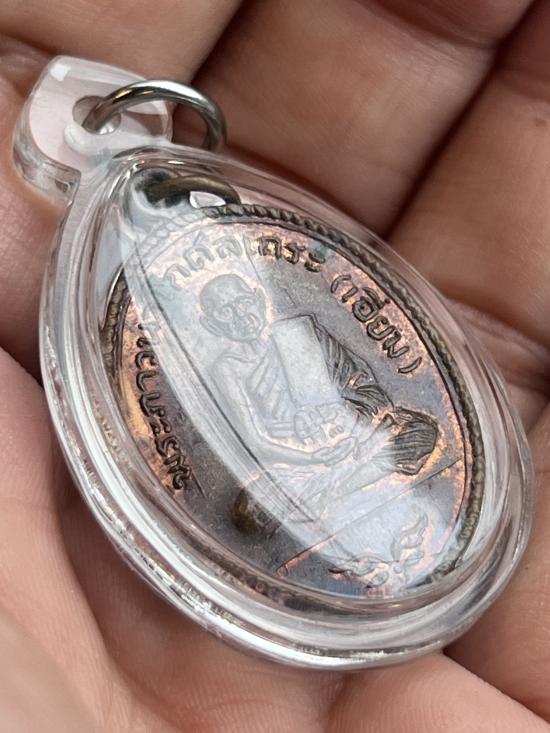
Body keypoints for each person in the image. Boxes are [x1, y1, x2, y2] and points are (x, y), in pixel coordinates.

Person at [1, 1, 549, 730]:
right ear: (208, 318)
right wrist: (313, 455)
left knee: (417, 429)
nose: (239, 317)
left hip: (351, 449)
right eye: (222, 312)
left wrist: (365, 426)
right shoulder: (219, 367)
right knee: (254, 512)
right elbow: (256, 440)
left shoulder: (299, 328)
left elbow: (359, 388)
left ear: (256, 297)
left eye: (243, 303)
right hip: (295, 475)